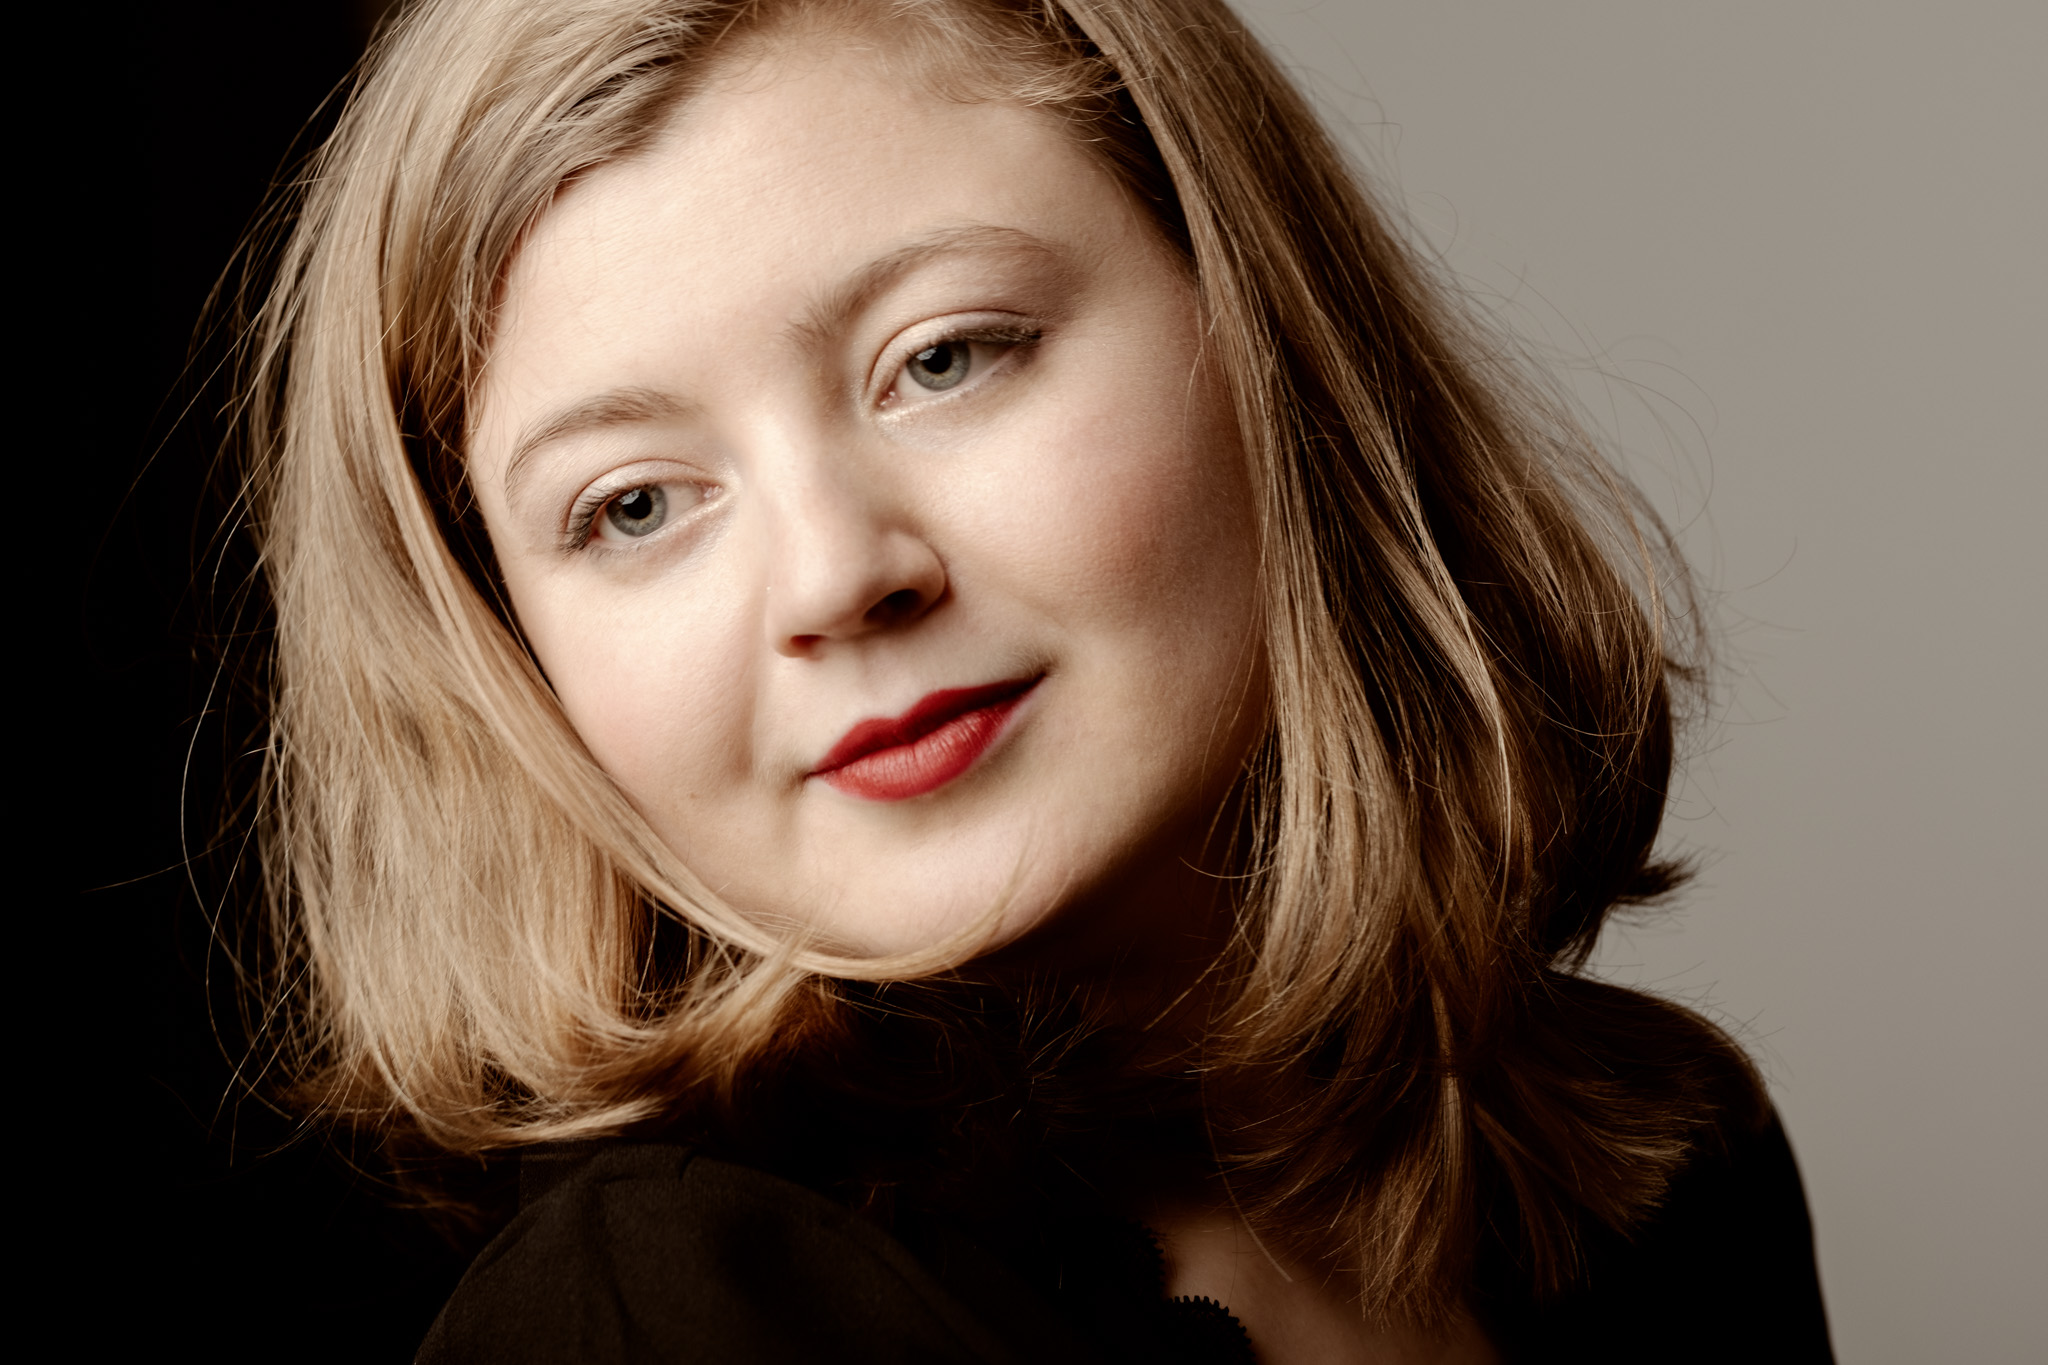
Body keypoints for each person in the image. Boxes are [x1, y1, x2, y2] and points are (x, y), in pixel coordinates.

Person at [232, 0, 1834, 1359]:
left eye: (943, 357)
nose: (836, 575)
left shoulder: (1667, 1163)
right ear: (513, 652)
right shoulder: (664, 1317)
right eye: (634, 505)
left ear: (1263, 325)